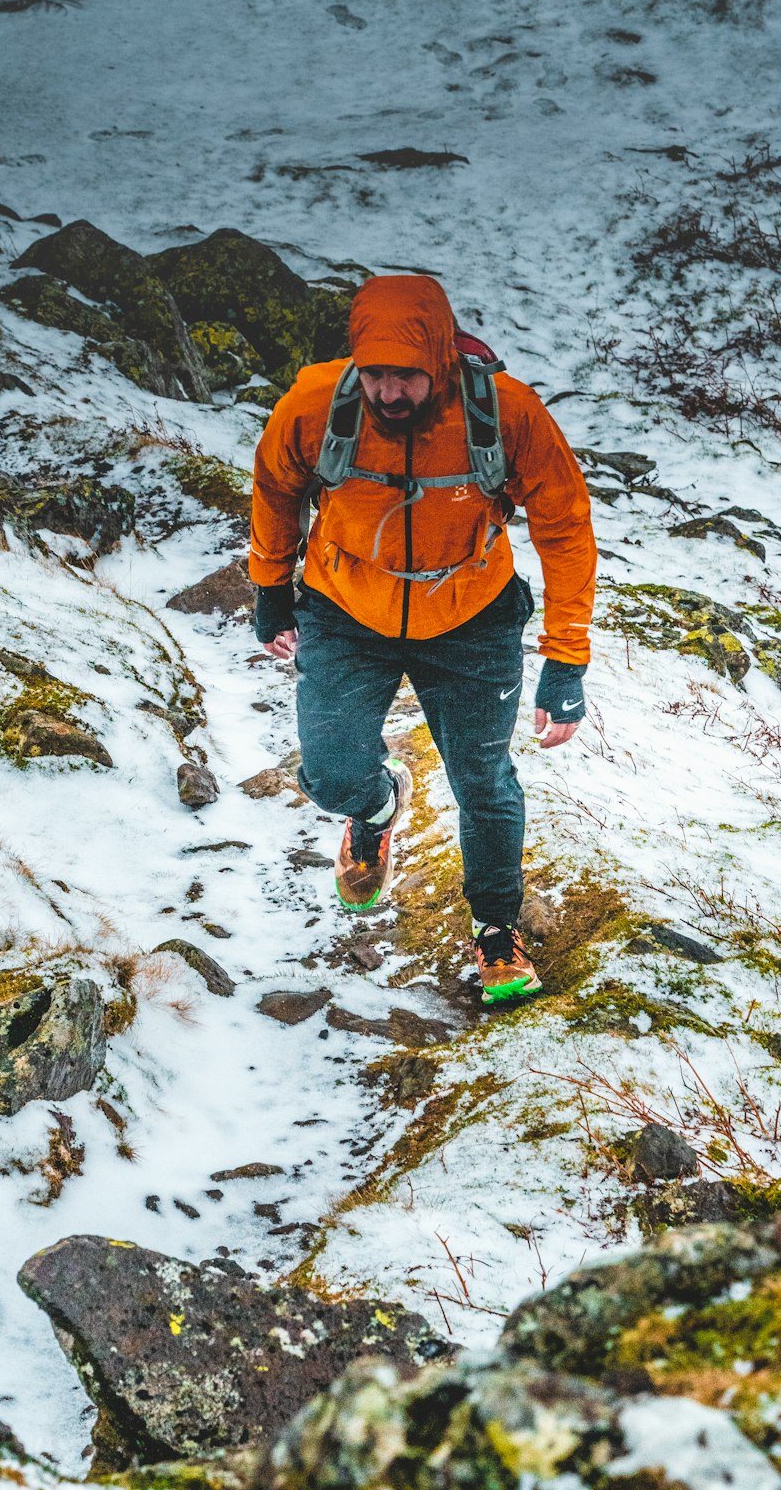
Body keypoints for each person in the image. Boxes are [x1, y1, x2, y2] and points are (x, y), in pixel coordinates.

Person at [249, 274, 596, 1003]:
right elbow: (277, 487)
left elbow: (564, 525)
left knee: (483, 783)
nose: (388, 393)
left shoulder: (506, 413)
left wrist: (567, 657)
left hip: (471, 616)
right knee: (332, 772)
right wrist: (270, 587)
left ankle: (497, 932)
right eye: (374, 375)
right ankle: (375, 808)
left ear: (439, 360)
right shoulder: (317, 404)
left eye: (404, 376)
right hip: (347, 610)